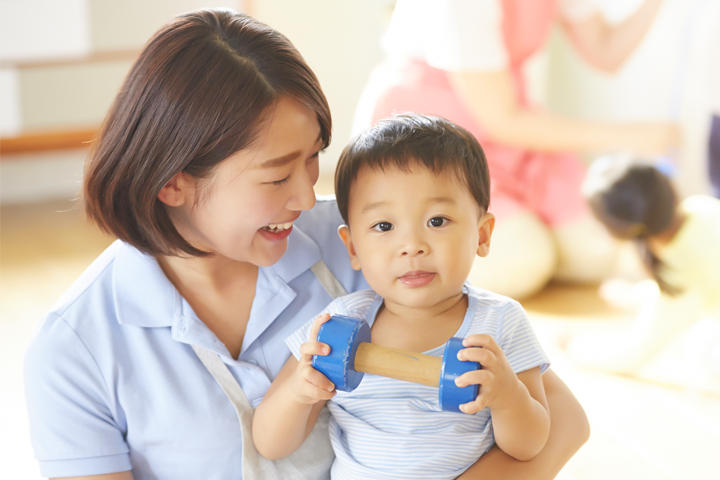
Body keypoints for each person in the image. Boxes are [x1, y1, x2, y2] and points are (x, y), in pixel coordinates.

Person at [23, 9, 589, 480]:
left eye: (313, 159)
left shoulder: (362, 243)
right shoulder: (76, 348)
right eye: (275, 176)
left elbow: (561, 418)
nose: (305, 196)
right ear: (174, 182)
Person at [253, 114, 554, 479]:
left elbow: (530, 446)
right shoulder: (340, 321)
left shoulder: (500, 322)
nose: (412, 246)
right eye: (384, 226)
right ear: (353, 249)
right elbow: (270, 444)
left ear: (483, 235)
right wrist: (298, 394)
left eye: (437, 221)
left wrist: (508, 396)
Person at [353, 0, 681, 299]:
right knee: (523, 260)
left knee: (597, 248)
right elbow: (502, 119)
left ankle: (528, 234)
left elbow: (605, 51)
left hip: (510, 124)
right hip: (431, 136)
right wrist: (631, 135)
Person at [568, 154, 720, 378]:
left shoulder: (678, 272)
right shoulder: (701, 207)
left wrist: (575, 347)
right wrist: (636, 295)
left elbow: (633, 354)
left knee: (697, 343)